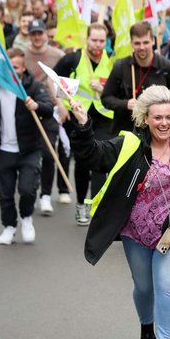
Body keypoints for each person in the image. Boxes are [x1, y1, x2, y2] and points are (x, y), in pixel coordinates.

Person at [70, 85, 170, 339]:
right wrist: (83, 125)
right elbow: (93, 156)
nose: (164, 123)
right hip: (136, 232)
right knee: (144, 288)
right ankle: (147, 325)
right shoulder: (129, 145)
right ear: (145, 118)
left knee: (166, 286)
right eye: (158, 118)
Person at [0, 48, 54, 244]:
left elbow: (48, 107)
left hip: (28, 149)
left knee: (27, 189)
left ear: (23, 69)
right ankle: (9, 226)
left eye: (16, 68)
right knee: (4, 192)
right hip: (3, 149)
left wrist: (36, 106)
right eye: (8, 67)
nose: (12, 72)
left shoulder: (32, 87)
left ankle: (26, 218)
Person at [54, 23, 119, 225]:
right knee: (82, 163)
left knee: (100, 160)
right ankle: (81, 204)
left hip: (103, 117)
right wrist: (60, 105)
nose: (98, 45)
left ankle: (96, 206)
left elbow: (120, 89)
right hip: (78, 116)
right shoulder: (73, 59)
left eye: (102, 41)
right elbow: (54, 80)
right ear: (87, 39)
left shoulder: (113, 63)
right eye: (94, 40)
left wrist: (103, 87)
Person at [101, 21, 170, 136]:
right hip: (124, 133)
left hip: (156, 136)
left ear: (153, 41)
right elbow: (106, 98)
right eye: (137, 43)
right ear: (131, 43)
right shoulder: (120, 66)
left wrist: (169, 110)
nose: (142, 47)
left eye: (146, 42)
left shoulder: (166, 66)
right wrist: (125, 104)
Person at [23, 18, 69, 214]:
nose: (37, 37)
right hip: (26, 108)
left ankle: (46, 195)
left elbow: (62, 83)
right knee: (27, 154)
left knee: (50, 153)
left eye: (40, 33)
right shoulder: (22, 54)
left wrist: (62, 104)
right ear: (29, 35)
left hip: (50, 108)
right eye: (33, 34)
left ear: (45, 35)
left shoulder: (57, 55)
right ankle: (31, 190)